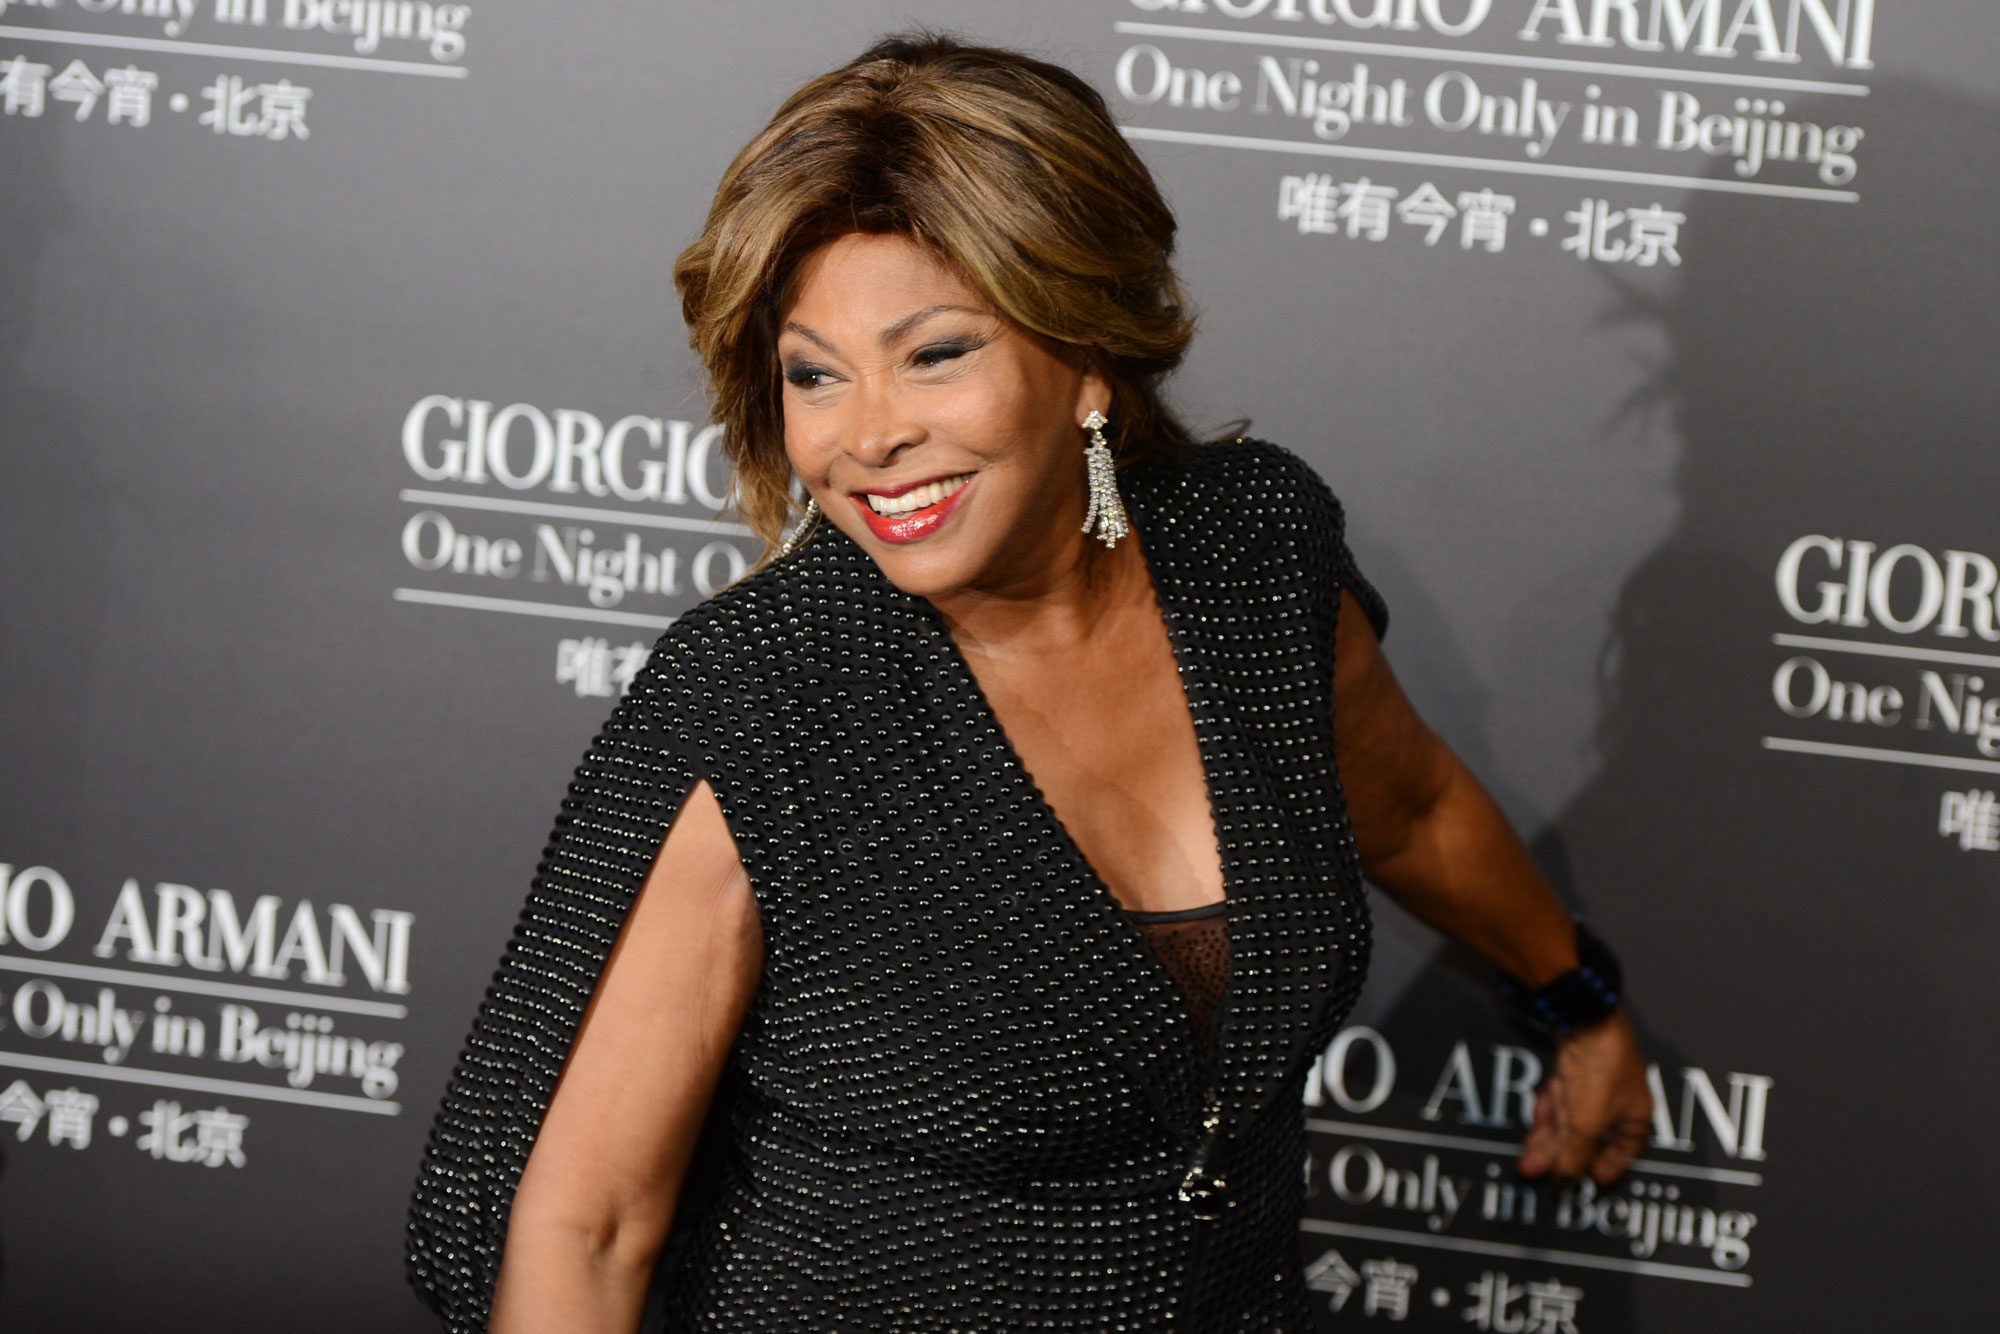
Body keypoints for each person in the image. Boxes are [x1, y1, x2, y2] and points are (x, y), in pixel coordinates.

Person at [405, 31, 1652, 1332]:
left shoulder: (1254, 560)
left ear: (1090, 353)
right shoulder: (764, 700)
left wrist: (1576, 1000)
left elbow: (1407, 808)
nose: (869, 431)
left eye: (935, 352)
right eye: (813, 373)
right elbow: (587, 1223)